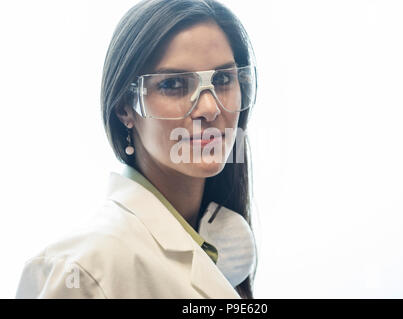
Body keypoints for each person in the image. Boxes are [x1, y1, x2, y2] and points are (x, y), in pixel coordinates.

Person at [15, 0, 258, 299]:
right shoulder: (85, 270)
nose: (209, 108)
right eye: (173, 84)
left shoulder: (216, 244)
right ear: (124, 109)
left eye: (222, 79)